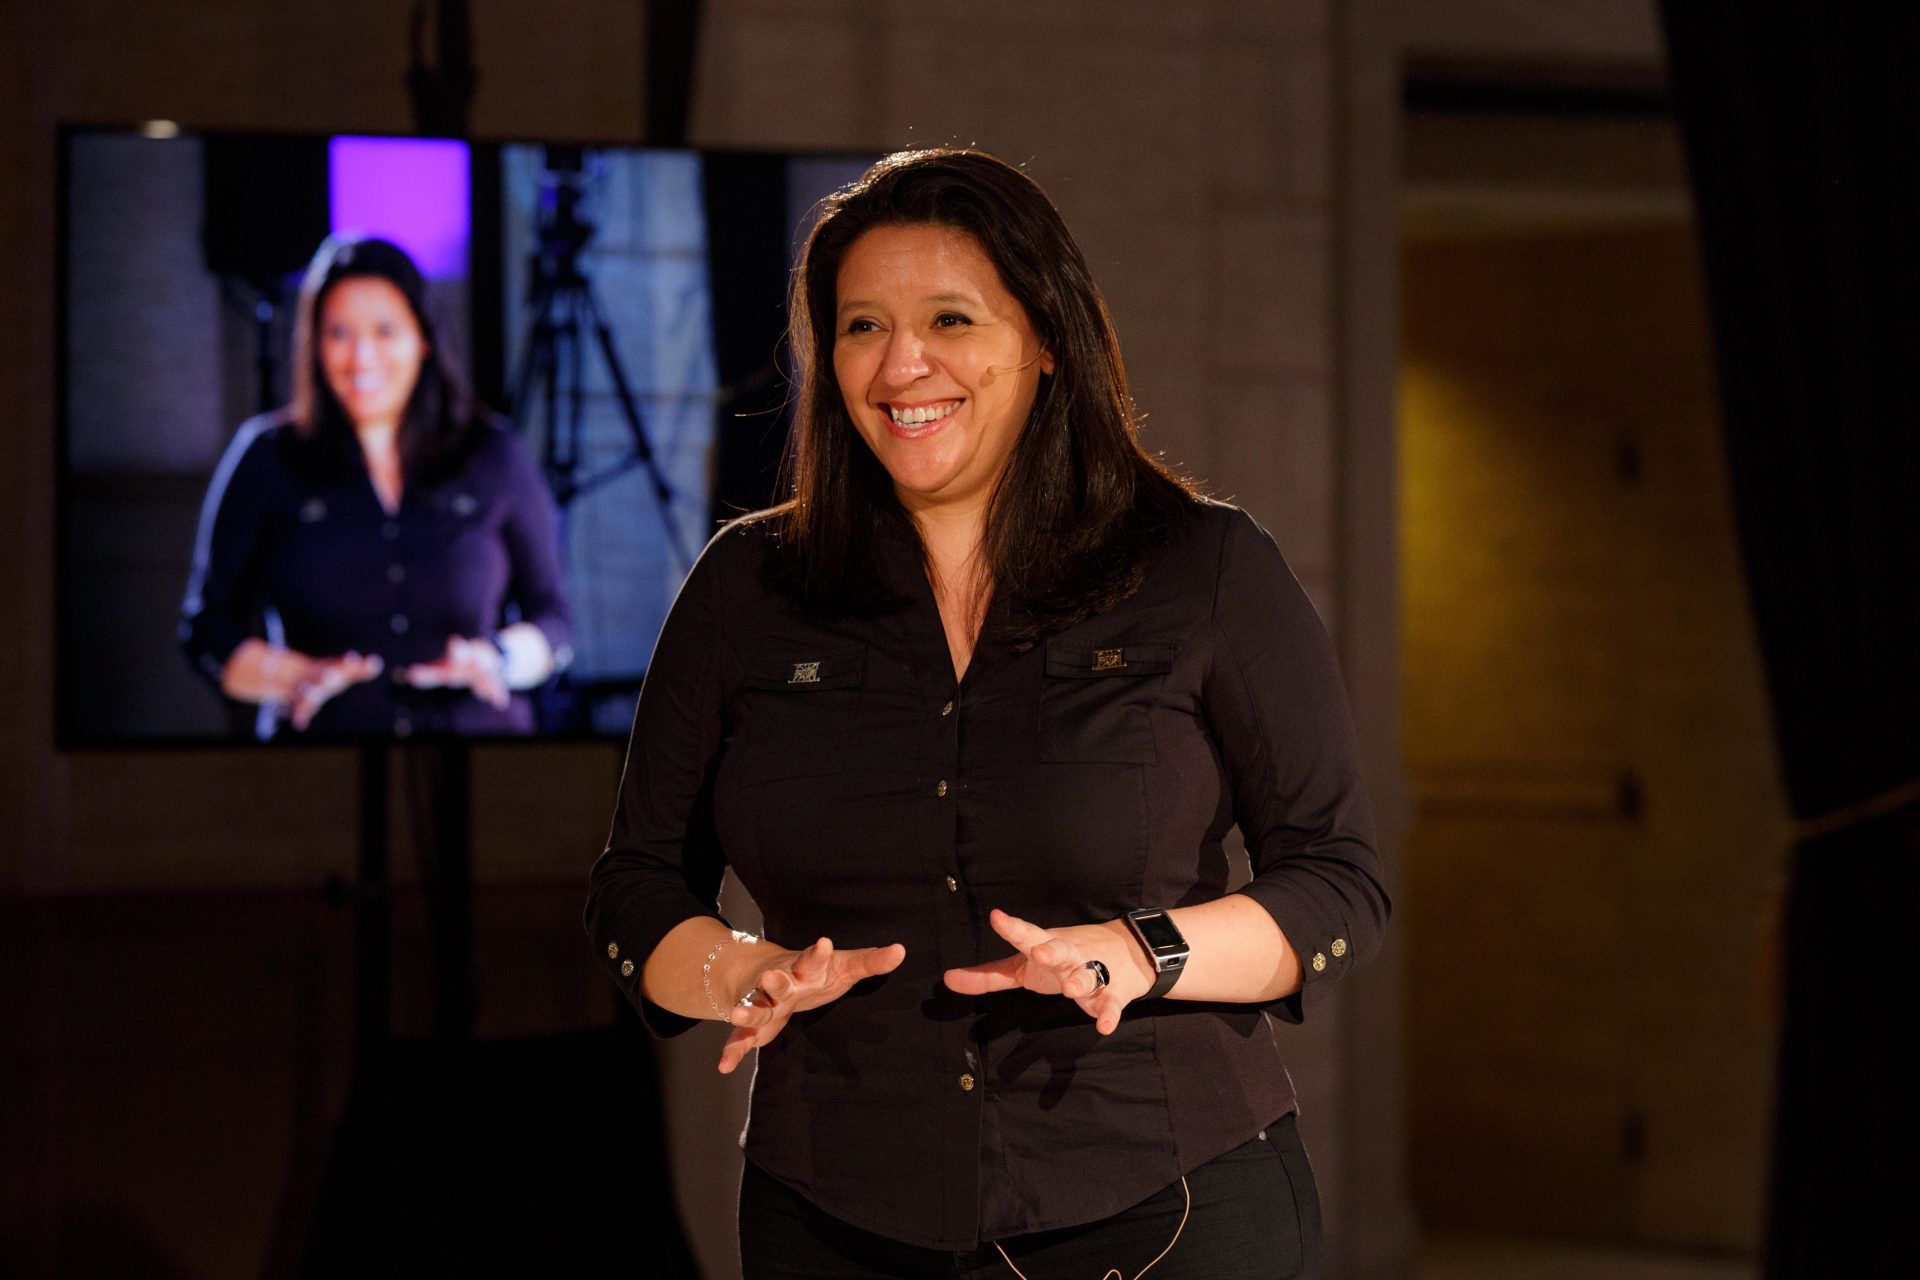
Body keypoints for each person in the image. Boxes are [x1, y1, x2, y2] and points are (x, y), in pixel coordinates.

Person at [585, 149, 1388, 1278]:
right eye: (861, 326)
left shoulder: (1203, 567)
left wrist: (1139, 951)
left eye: (950, 318)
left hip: (1165, 1213)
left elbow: (1339, 878)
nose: (902, 363)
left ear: (1046, 338)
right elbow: (635, 882)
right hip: (832, 1215)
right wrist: (738, 969)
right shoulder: (744, 588)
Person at [180, 235, 573, 737]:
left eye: (386, 331)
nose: (362, 356)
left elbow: (554, 618)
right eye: (339, 333)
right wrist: (292, 677)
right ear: (314, 344)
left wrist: (496, 658)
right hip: (320, 762)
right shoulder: (266, 458)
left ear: (423, 338)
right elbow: (207, 629)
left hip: (479, 756)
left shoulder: (491, 453)